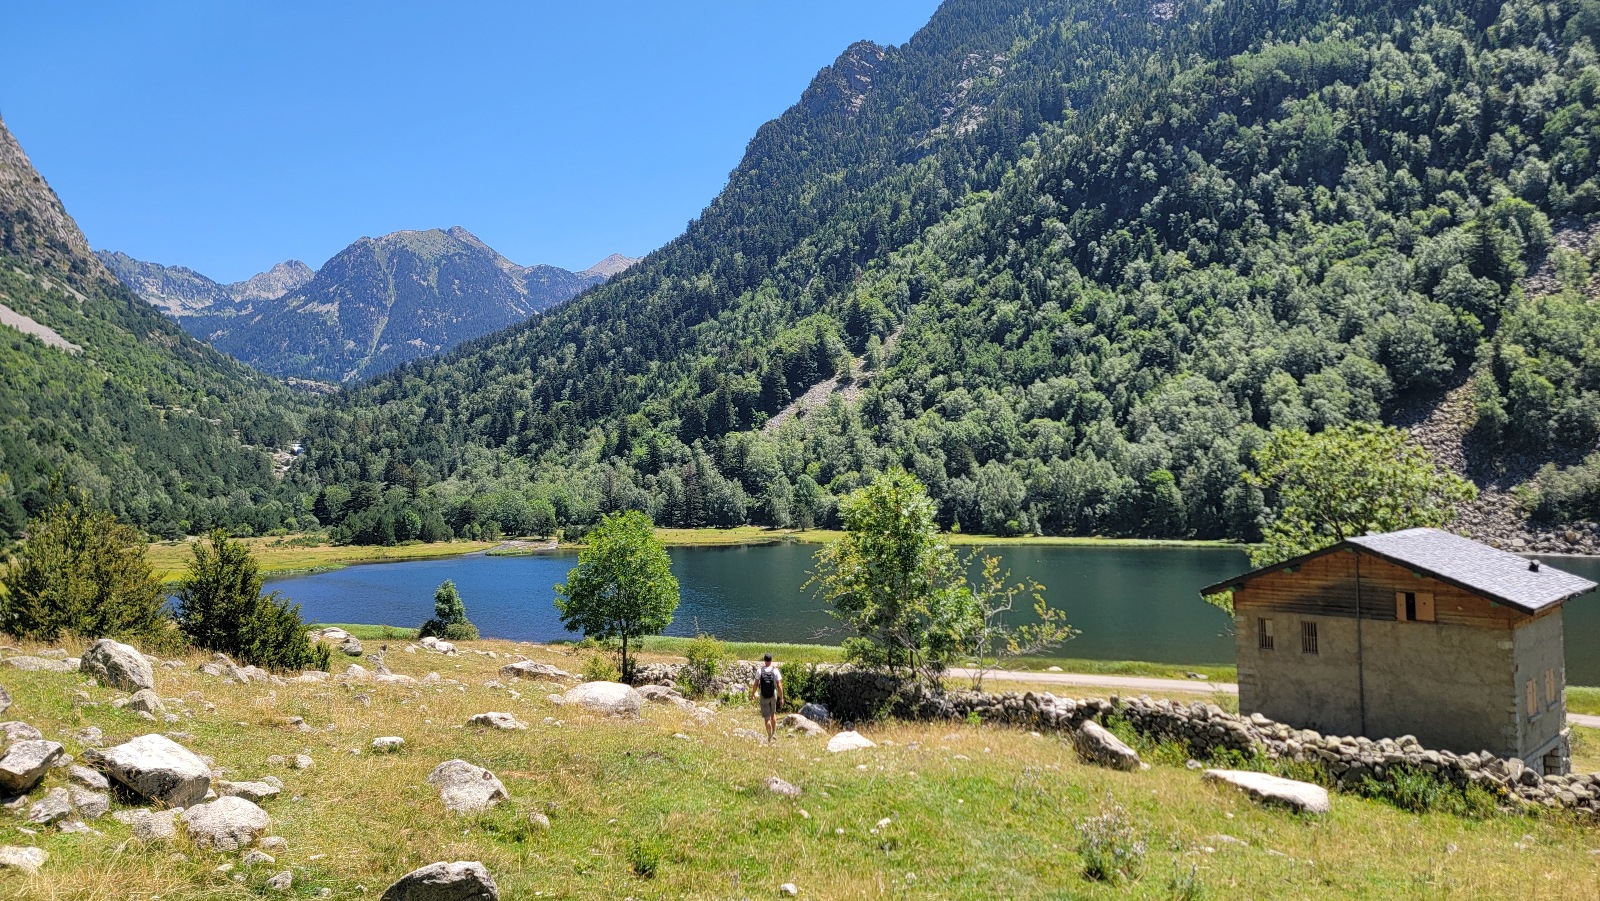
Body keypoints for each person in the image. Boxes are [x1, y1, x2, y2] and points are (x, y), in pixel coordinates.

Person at [750, 653, 784, 743]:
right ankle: (774, 733)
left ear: (764, 660)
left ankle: (769, 736)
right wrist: (782, 698)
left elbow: (756, 684)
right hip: (773, 695)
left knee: (766, 718)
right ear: (771, 660)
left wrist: (753, 694)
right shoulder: (775, 671)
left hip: (763, 696)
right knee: (773, 714)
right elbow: (779, 685)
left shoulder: (759, 671)